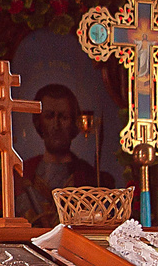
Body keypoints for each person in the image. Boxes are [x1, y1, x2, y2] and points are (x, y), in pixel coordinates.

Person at [18, 84, 99, 224]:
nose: (56, 125)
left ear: (74, 122)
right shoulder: (23, 174)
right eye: (49, 116)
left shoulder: (88, 176)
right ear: (39, 122)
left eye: (64, 117)